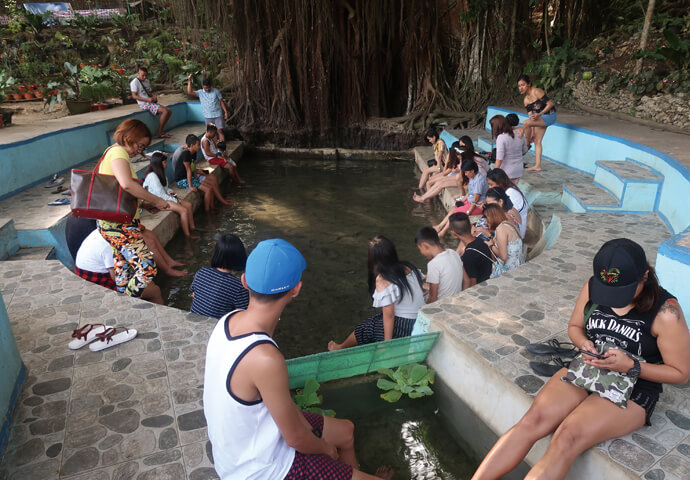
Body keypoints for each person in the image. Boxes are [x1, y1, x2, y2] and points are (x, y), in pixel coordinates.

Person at [472, 238, 690, 480]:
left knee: (568, 436)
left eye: (622, 292)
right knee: (534, 420)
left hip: (636, 385)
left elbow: (680, 373)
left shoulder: (667, 312)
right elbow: (575, 326)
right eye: (608, 292)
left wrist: (632, 365)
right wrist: (584, 343)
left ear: (645, 276)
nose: (613, 300)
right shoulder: (594, 288)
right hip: (589, 367)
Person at [203, 238, 394, 480]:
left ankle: (351, 474)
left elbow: (283, 410)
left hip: (247, 442)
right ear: (296, 289)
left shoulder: (227, 320)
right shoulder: (265, 358)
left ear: (244, 281)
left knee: (346, 430)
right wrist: (325, 449)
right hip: (258, 470)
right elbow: (295, 439)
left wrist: (308, 428)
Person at [96, 119, 169, 298]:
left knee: (122, 268)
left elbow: (121, 193)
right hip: (119, 225)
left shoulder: (112, 152)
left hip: (111, 223)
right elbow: (127, 185)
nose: (140, 150)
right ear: (129, 137)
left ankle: (122, 296)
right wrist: (157, 200)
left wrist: (143, 204)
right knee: (148, 268)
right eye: (140, 145)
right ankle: (127, 301)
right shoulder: (118, 153)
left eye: (143, 147)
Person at [328, 235, 424, 351]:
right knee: (375, 321)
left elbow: (389, 315)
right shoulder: (407, 267)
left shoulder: (383, 279)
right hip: (419, 319)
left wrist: (387, 343)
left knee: (367, 328)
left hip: (405, 325)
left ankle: (340, 348)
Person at [75, 228, 164, 304]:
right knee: (155, 291)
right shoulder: (110, 245)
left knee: (148, 283)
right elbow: (117, 278)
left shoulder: (105, 231)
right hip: (96, 282)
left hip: (87, 272)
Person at [190, 233, 249, 319]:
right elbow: (242, 315)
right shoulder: (238, 286)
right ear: (240, 257)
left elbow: (194, 294)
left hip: (194, 320)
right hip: (216, 328)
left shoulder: (201, 272)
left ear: (216, 253)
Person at [172, 134, 232, 211]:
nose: (200, 147)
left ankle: (212, 207)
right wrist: (191, 186)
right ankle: (208, 210)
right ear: (192, 145)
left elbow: (193, 168)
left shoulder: (193, 153)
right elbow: (188, 170)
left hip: (190, 177)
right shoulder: (185, 154)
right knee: (208, 189)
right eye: (198, 145)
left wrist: (200, 173)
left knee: (210, 187)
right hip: (182, 181)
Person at [143, 152, 198, 237]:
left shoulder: (160, 174)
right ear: (159, 164)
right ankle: (188, 235)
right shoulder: (152, 176)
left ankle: (193, 228)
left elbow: (165, 189)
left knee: (189, 205)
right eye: (165, 162)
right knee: (183, 210)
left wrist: (170, 192)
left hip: (163, 197)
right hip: (156, 201)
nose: (166, 164)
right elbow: (161, 195)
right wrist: (175, 200)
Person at [518, 74, 557, 172]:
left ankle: (526, 143)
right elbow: (531, 118)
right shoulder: (526, 100)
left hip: (550, 115)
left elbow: (550, 104)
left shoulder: (536, 91)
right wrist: (533, 132)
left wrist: (540, 114)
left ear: (529, 84)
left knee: (525, 123)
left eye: (523, 85)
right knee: (537, 141)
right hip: (539, 119)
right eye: (519, 86)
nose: (521, 88)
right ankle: (538, 166)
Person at [415, 226, 463, 303]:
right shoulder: (453, 253)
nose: (421, 253)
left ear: (424, 245)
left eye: (420, 249)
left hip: (442, 305)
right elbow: (466, 280)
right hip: (456, 299)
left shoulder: (433, 264)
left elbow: (433, 297)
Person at [448, 212, 493, 289]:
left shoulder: (469, 255)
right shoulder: (480, 240)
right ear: (471, 226)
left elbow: (473, 283)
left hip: (482, 287)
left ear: (454, 234)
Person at [130, 66, 172, 139]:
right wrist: (147, 100)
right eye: (143, 75)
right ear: (138, 73)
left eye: (146, 75)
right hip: (144, 104)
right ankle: (159, 132)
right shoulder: (134, 82)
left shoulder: (147, 81)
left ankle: (160, 131)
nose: (144, 77)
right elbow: (134, 96)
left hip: (150, 102)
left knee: (169, 111)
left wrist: (153, 97)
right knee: (165, 111)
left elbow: (149, 93)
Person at [482, 203, 524, 274]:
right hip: (518, 265)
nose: (485, 220)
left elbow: (503, 257)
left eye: (485, 217)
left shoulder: (501, 228)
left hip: (510, 269)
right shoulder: (508, 223)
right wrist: (490, 234)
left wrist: (491, 246)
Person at [486, 168, 528, 238]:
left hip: (516, 233)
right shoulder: (506, 189)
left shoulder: (510, 193)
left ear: (499, 183)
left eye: (491, 184)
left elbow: (510, 217)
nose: (489, 187)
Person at [187, 75, 230, 142]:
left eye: (209, 88)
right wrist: (189, 80)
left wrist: (226, 112)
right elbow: (189, 92)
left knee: (220, 130)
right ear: (202, 86)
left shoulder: (216, 91)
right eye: (205, 88)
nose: (207, 89)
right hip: (208, 116)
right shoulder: (200, 92)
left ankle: (222, 147)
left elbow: (221, 102)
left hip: (218, 114)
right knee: (212, 133)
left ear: (211, 85)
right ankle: (216, 147)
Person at [490, 114, 528, 184]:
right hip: (518, 170)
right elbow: (524, 150)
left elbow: (499, 159)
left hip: (506, 172)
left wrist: (494, 173)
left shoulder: (501, 137)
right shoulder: (520, 133)